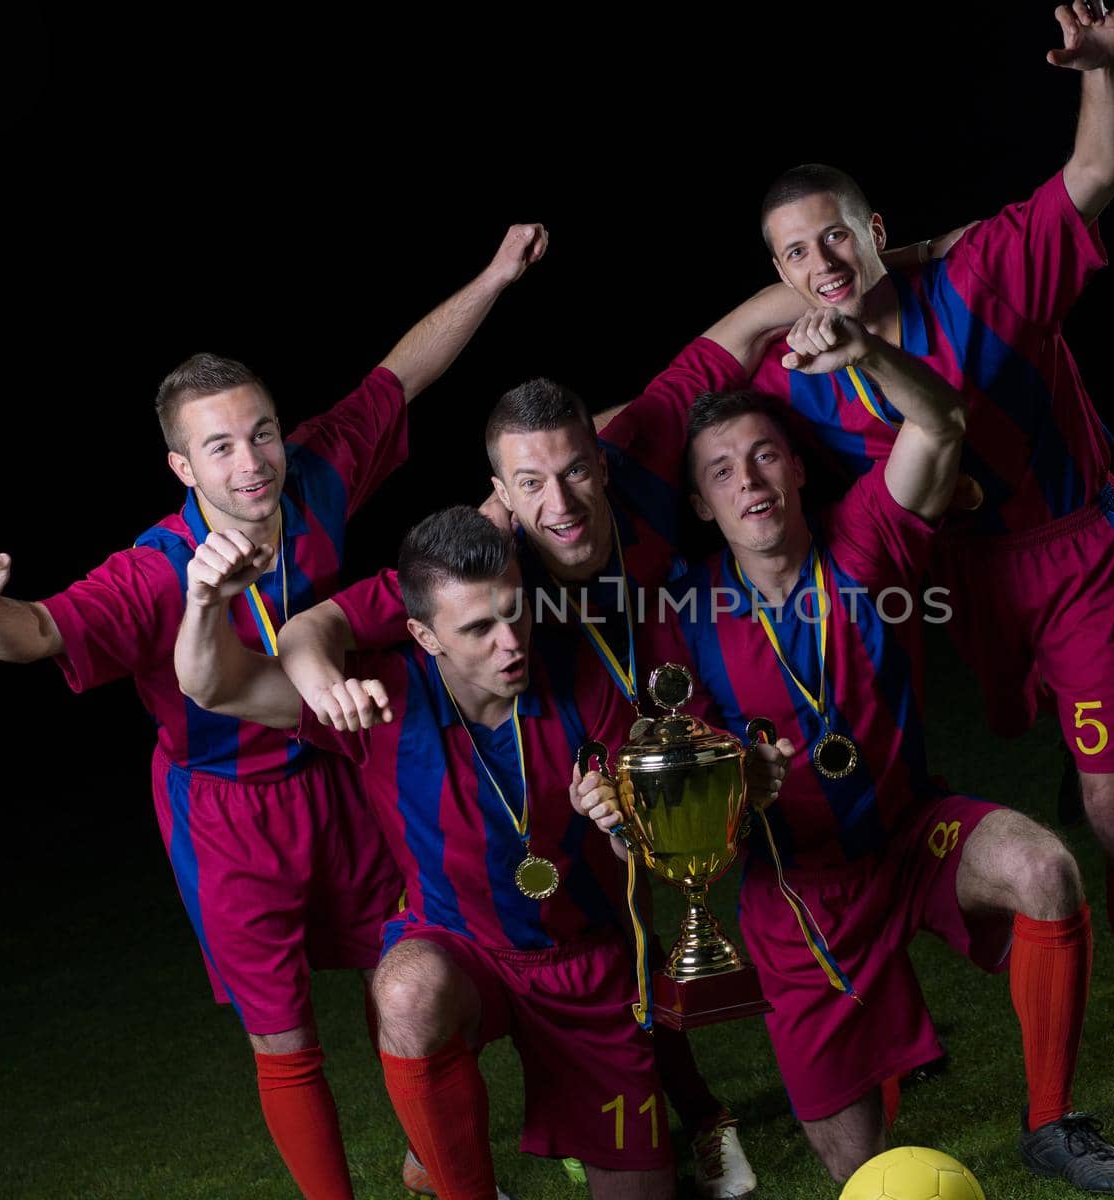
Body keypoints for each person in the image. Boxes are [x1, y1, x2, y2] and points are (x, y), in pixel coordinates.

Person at [0, 225, 547, 1199]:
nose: (251, 461)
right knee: (284, 1034)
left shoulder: (310, 472)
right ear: (183, 469)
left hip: (343, 774)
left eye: (259, 430)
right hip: (225, 818)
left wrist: (495, 276)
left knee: (424, 968)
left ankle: (442, 1173)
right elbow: (37, 633)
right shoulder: (151, 573)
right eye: (218, 447)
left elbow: (400, 376)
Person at [744, 3, 1114, 1131]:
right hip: (952, 586)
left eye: (834, 234)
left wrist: (1108, 66)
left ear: (874, 227)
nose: (820, 262)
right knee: (875, 797)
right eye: (793, 252)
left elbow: (1100, 165)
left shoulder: (980, 273)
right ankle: (877, 1034)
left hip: (1072, 554)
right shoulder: (788, 382)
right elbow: (674, 432)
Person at [274, 298, 806, 1199]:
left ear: (600, 459)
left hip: (664, 703)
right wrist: (321, 677)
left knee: (645, 894)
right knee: (532, 911)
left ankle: (685, 1111)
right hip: (562, 747)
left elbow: (740, 332)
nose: (555, 504)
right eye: (528, 485)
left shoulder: (632, 456)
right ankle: (478, 1134)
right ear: (502, 493)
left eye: (570, 474)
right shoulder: (483, 564)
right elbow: (315, 625)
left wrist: (885, 268)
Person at [633, 306, 1114, 1193]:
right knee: (869, 1176)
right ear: (701, 504)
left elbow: (939, 423)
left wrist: (864, 346)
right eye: (721, 471)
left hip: (913, 836)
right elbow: (678, 774)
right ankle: (880, 1074)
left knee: (1044, 869)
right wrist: (735, 784)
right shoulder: (681, 623)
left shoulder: (865, 537)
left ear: (795, 467)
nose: (748, 480)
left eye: (763, 456)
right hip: (801, 899)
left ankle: (1052, 1122)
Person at [173, 506, 788, 1200]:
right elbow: (211, 685)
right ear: (423, 635)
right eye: (477, 629)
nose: (510, 643)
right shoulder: (382, 696)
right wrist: (202, 603)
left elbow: (642, 843)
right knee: (404, 989)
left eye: (515, 613)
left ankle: (683, 1122)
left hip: (586, 967)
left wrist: (623, 826)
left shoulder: (585, 679)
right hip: (464, 953)